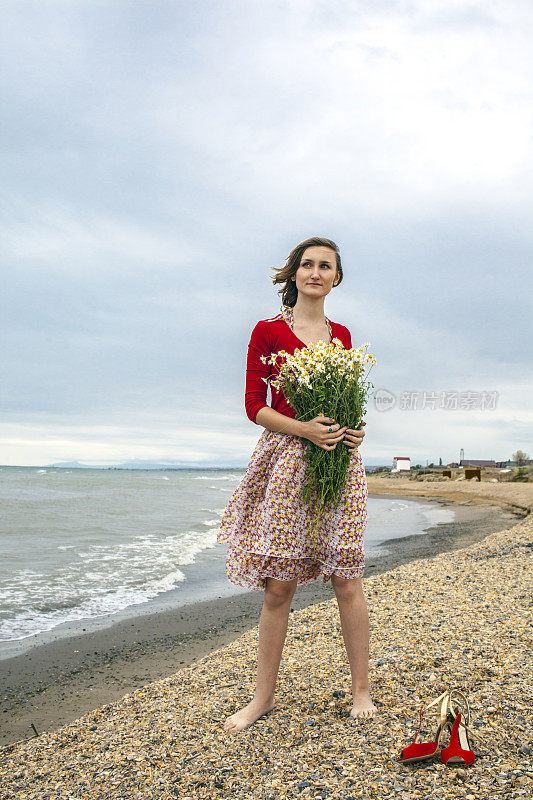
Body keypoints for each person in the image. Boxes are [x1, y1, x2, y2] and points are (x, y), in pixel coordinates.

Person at [217, 236, 377, 733]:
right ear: (294, 275)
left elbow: (347, 400)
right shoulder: (267, 331)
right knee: (278, 587)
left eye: (324, 266)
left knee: (346, 578)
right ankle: (261, 699)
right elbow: (253, 405)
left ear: (336, 278)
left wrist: (353, 429)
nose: (315, 272)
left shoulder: (343, 335)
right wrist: (305, 429)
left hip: (337, 463)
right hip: (287, 460)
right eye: (306, 264)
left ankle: (362, 691)